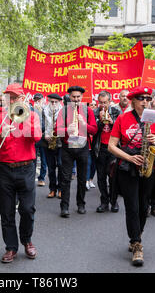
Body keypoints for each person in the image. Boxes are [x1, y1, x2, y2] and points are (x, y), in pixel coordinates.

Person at [108, 86, 155, 267]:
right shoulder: (123, 118)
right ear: (133, 101)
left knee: (144, 207)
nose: (145, 101)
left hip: (148, 166)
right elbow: (111, 146)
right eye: (141, 98)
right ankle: (136, 243)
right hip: (128, 167)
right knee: (132, 206)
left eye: (148, 98)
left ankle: (136, 234)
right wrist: (130, 157)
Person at [0, 83, 41, 263]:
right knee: (7, 211)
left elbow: (37, 138)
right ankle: (11, 247)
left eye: (14, 97)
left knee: (28, 209)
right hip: (5, 169)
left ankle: (27, 240)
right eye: (8, 97)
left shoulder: (32, 115)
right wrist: (1, 134)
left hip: (26, 168)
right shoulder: (0, 118)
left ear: (21, 99)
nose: (11, 100)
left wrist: (23, 118)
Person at [56, 86, 98, 217]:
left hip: (82, 146)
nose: (76, 99)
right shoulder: (63, 111)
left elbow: (94, 130)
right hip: (67, 148)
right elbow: (57, 130)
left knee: (81, 178)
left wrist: (84, 124)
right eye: (73, 97)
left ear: (82, 97)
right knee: (65, 178)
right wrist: (66, 130)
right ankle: (64, 207)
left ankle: (81, 204)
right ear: (69, 97)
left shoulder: (88, 111)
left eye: (78, 97)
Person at [92, 91, 121, 213]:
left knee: (113, 177)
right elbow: (93, 131)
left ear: (110, 101)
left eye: (105, 102)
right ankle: (104, 202)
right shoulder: (94, 112)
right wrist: (100, 120)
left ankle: (114, 201)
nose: (103, 105)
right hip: (100, 148)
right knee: (100, 177)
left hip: (113, 148)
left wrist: (111, 121)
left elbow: (121, 130)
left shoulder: (116, 112)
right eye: (101, 102)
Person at [43, 93, 63, 199]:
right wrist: (44, 135)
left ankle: (60, 189)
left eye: (56, 102)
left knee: (60, 165)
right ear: (48, 101)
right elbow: (41, 125)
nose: (54, 104)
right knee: (50, 168)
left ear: (59, 102)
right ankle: (52, 189)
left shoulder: (63, 112)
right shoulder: (44, 111)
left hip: (60, 143)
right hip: (48, 142)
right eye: (52, 102)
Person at [33, 93, 47, 187]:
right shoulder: (31, 109)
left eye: (39, 99)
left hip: (43, 137)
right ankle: (31, 176)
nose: (38, 101)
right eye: (36, 100)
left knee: (43, 159)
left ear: (42, 100)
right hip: (34, 137)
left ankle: (41, 178)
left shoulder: (46, 109)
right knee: (33, 158)